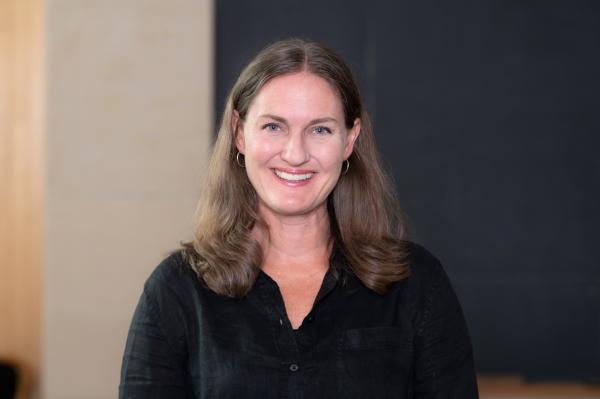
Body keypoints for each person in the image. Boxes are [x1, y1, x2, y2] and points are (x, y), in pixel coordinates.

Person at [119, 38, 479, 398]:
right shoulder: (176, 292)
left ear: (349, 140)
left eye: (320, 129)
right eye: (274, 127)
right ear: (239, 132)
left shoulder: (416, 285)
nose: (295, 154)